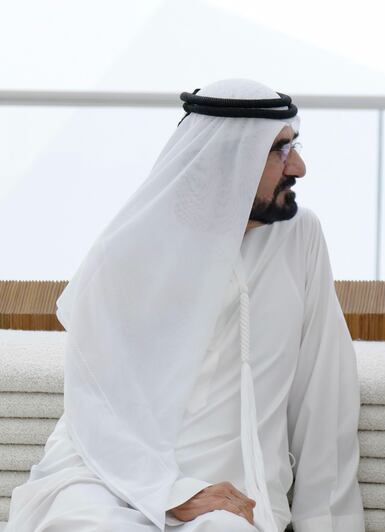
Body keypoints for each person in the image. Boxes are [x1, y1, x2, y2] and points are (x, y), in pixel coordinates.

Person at [7, 79, 364, 532]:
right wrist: (173, 493)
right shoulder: (130, 250)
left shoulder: (299, 239)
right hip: (107, 483)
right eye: (278, 151)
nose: (299, 167)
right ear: (226, 160)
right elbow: (95, 405)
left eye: (293, 146)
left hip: (232, 500)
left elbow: (324, 395)